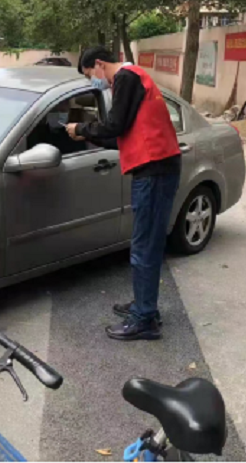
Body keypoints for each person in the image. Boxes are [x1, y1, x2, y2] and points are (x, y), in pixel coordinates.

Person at [66, 46, 181, 342]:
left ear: (99, 64)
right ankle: (144, 305)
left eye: (91, 74)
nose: (95, 81)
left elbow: (115, 125)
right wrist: (87, 134)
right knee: (145, 244)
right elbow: (125, 134)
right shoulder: (134, 76)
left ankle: (144, 319)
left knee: (144, 247)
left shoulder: (125, 78)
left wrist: (82, 128)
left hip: (154, 171)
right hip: (156, 168)